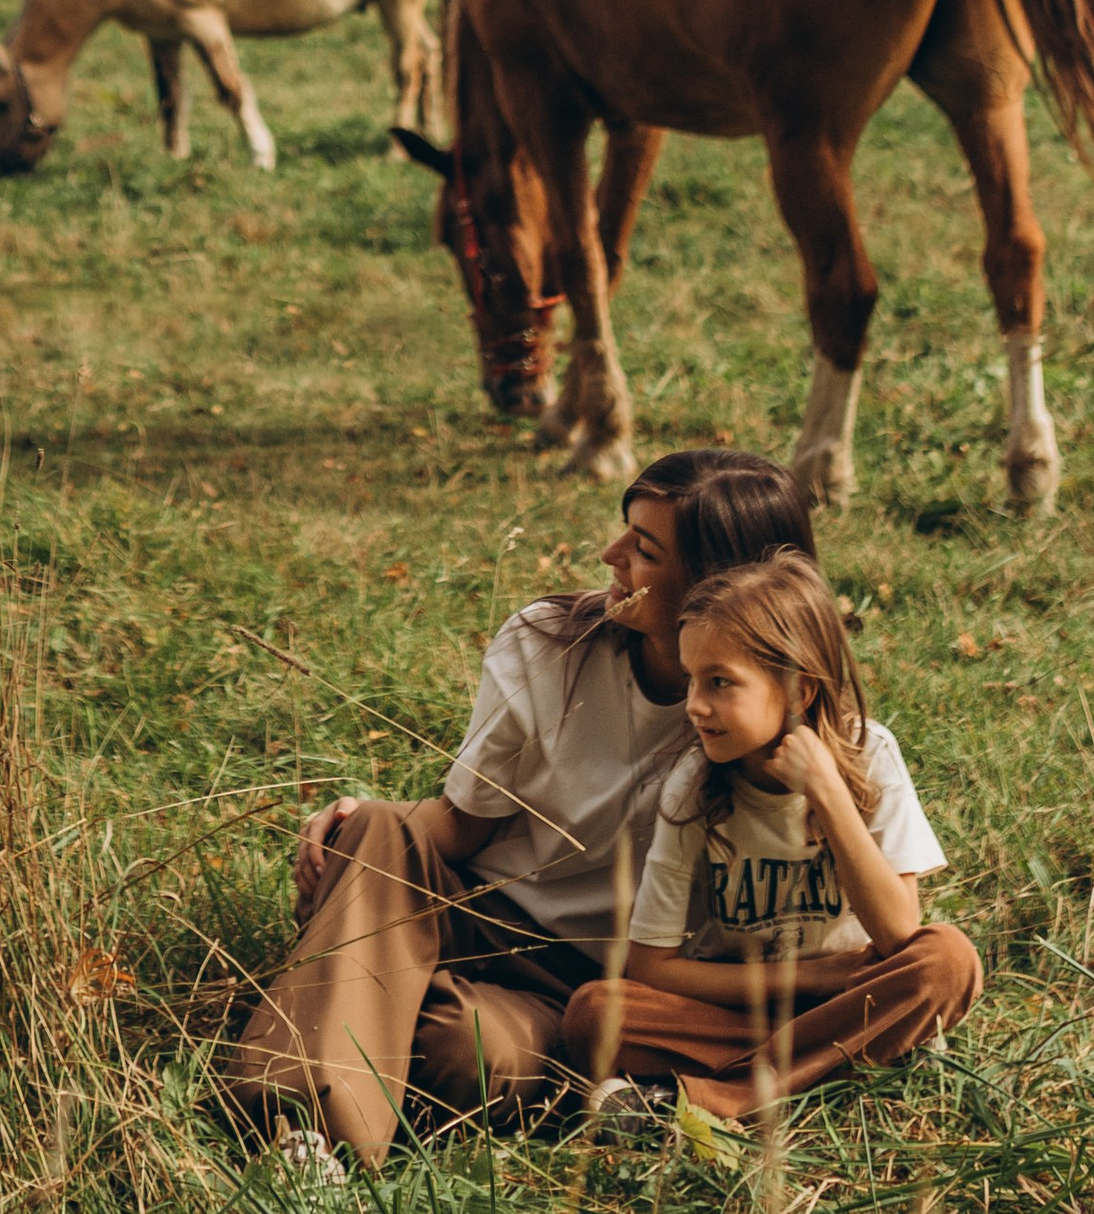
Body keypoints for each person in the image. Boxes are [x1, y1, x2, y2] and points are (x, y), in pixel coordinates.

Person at [219, 448, 814, 1166]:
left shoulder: (768, 718)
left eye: (645, 550)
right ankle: (300, 1134)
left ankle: (351, 1017)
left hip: (588, 989)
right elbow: (465, 825)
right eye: (625, 532)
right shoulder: (550, 641)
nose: (610, 555)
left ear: (722, 585)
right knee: (375, 828)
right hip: (477, 916)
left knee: (464, 1052)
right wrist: (358, 830)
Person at [566, 548, 980, 1122]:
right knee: (594, 1013)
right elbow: (651, 968)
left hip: (858, 997)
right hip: (752, 1008)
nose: (694, 706)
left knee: (950, 960)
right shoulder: (693, 787)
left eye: (719, 683)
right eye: (690, 680)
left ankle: (706, 1103)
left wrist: (829, 796)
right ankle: (851, 1061)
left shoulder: (870, 754)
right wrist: (813, 976)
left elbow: (899, 932)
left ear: (797, 691)